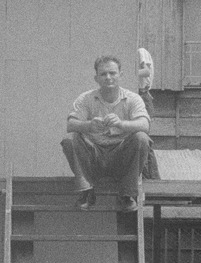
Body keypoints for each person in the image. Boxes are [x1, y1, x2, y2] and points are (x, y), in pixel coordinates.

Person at [61, 54, 150, 211]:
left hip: (122, 158)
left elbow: (145, 125)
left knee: (141, 138)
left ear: (120, 75)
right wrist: (89, 125)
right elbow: (70, 125)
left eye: (112, 73)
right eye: (103, 74)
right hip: (94, 157)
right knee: (69, 139)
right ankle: (86, 191)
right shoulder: (86, 98)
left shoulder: (133, 99)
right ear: (96, 78)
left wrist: (121, 124)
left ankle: (126, 194)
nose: (108, 77)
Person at [136, 46, 160, 181]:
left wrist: (123, 74)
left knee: (143, 139)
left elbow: (145, 71)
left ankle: (153, 178)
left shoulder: (140, 52)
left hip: (143, 96)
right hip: (140, 96)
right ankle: (148, 177)